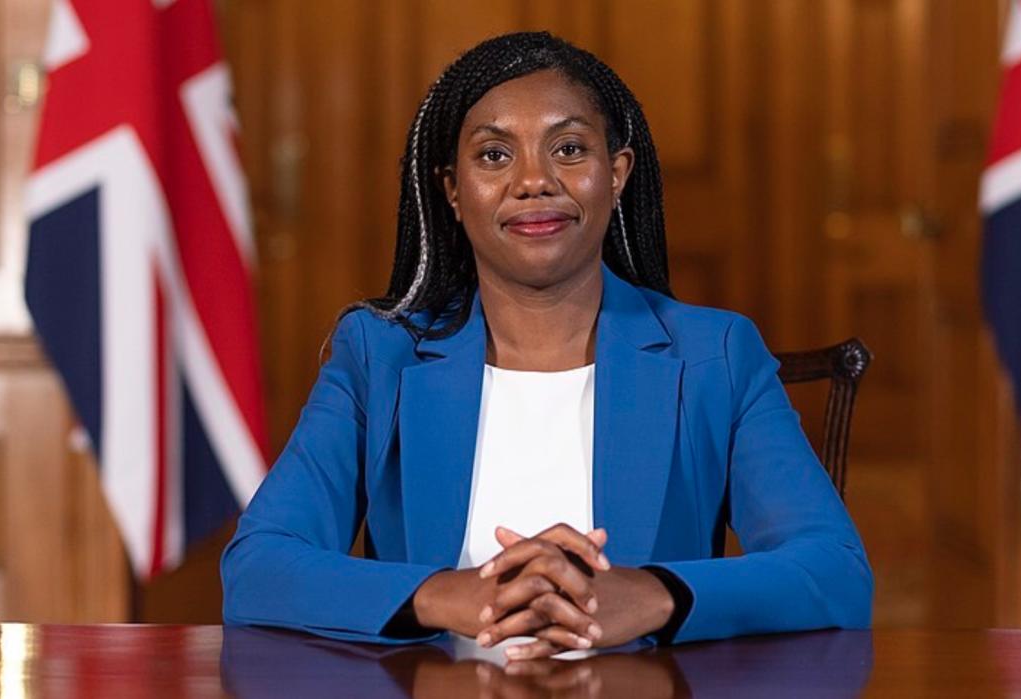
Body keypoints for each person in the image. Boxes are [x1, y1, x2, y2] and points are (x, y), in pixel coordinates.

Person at [221, 31, 872, 661]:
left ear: (617, 172)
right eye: (494, 155)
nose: (534, 180)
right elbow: (258, 565)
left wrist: (653, 593)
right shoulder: (378, 356)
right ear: (452, 189)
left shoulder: (715, 354)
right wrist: (446, 594)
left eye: (568, 148)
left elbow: (833, 570)